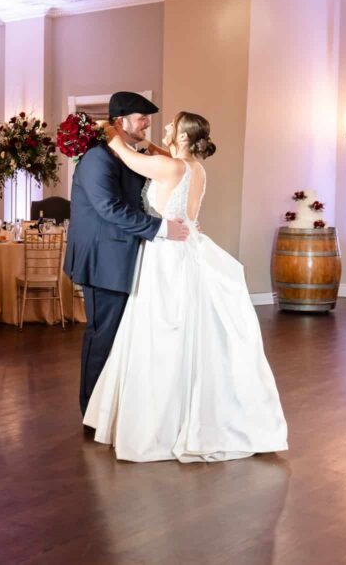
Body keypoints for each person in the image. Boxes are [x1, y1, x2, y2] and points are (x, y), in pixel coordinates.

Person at [83, 111, 288, 463]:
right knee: (187, 330)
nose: (162, 129)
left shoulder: (171, 168)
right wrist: (149, 143)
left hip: (166, 254)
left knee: (160, 333)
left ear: (182, 137)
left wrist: (109, 130)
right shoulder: (194, 167)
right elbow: (166, 164)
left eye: (171, 128)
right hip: (188, 243)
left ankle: (159, 423)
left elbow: (130, 158)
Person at [64, 92, 190, 417]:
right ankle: (91, 411)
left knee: (123, 337)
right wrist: (161, 228)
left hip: (126, 257)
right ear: (120, 121)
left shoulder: (125, 154)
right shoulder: (97, 158)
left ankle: (114, 409)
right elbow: (110, 208)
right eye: (141, 117)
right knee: (103, 335)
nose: (147, 123)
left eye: (148, 118)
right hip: (104, 260)